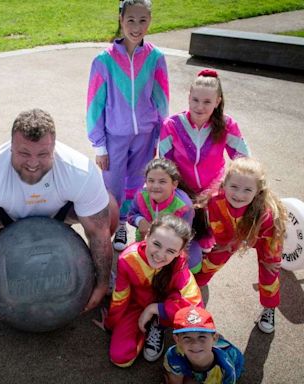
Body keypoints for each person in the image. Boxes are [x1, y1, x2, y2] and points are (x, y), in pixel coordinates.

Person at [0, 108, 119, 318]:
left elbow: (99, 234)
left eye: (43, 154)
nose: (32, 163)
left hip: (60, 214)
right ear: (11, 147)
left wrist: (101, 284)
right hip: (7, 218)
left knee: (108, 209)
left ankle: (97, 269)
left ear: (54, 149)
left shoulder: (79, 170)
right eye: (24, 153)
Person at [86, 0, 169, 251]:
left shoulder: (156, 58)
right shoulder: (104, 61)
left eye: (142, 20)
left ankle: (124, 223)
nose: (136, 26)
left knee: (135, 182)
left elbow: (162, 99)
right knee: (112, 185)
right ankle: (109, 226)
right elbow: (94, 105)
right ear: (121, 20)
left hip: (145, 134)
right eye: (131, 20)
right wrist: (99, 145)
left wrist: (161, 135)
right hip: (114, 136)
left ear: (150, 21)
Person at [159, 69, 250, 252]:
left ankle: (209, 234)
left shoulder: (227, 124)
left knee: (209, 239)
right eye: (195, 100)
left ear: (217, 102)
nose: (200, 107)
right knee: (182, 232)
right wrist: (177, 189)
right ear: (189, 97)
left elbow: (244, 160)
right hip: (183, 188)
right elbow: (165, 165)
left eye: (207, 102)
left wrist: (231, 186)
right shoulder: (172, 125)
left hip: (213, 189)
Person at [194, 157, 287, 334]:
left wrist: (270, 259)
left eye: (247, 190)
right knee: (216, 256)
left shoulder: (266, 214)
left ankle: (269, 307)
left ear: (258, 191)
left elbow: (271, 239)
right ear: (224, 183)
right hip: (230, 234)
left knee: (269, 272)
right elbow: (219, 230)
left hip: (265, 238)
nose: (239, 194)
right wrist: (227, 244)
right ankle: (195, 285)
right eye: (234, 187)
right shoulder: (215, 201)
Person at [100, 215, 202, 367]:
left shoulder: (179, 267)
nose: (160, 255)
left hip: (164, 307)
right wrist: (111, 323)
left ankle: (158, 324)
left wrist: (156, 309)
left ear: (179, 252)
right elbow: (121, 294)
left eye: (170, 250)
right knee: (120, 358)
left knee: (193, 319)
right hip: (136, 304)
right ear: (147, 236)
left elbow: (196, 307)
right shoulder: (128, 259)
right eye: (157, 244)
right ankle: (144, 329)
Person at [127, 158, 202, 273]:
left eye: (162, 181)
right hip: (145, 238)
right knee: (135, 265)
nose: (155, 186)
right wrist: (139, 220)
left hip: (171, 244)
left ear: (174, 184)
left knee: (193, 265)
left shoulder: (184, 207)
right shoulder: (141, 195)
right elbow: (131, 214)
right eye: (151, 181)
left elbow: (184, 236)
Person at [163, 306, 244, 383]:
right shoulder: (173, 354)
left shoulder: (226, 370)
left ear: (214, 338)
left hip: (232, 363)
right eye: (187, 338)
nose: (195, 344)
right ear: (177, 339)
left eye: (202, 337)